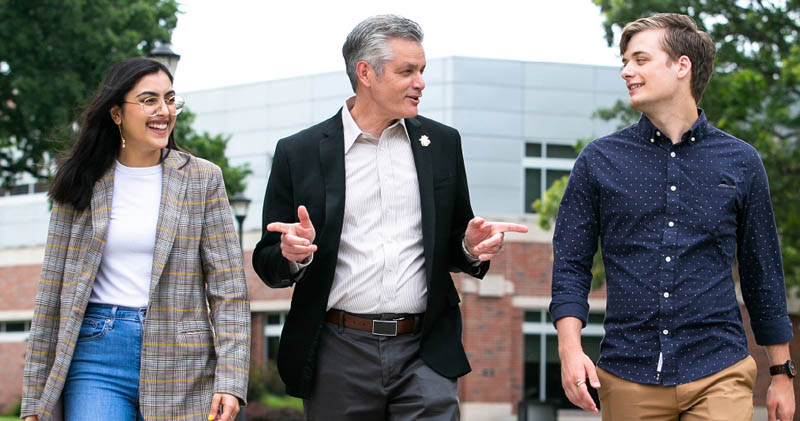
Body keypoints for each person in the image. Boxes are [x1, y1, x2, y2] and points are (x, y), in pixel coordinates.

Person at [252, 14, 527, 420]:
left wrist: (469, 246)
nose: (420, 82)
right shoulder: (300, 152)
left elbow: (453, 243)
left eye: (422, 70)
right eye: (407, 71)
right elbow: (267, 260)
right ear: (366, 73)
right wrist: (292, 254)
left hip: (424, 349)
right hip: (337, 350)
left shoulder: (442, 143)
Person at [550, 13, 794, 421]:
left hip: (720, 369)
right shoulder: (598, 160)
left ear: (683, 66)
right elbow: (571, 266)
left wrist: (781, 373)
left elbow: (762, 272)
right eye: (625, 62)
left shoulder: (741, 162)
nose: (627, 71)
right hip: (628, 373)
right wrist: (570, 351)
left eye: (640, 60)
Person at [20, 57, 250, 421]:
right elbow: (51, 292)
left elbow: (229, 290)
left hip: (182, 359)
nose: (164, 111)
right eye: (149, 100)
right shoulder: (81, 179)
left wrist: (231, 380)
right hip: (97, 354)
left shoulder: (203, 179)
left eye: (170, 99)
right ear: (116, 114)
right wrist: (34, 399)